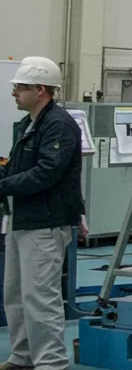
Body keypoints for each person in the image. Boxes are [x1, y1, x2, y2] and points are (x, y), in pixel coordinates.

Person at [3, 57, 82, 370]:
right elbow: (18, 167)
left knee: (40, 297)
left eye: (20, 88)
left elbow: (46, 172)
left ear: (41, 89)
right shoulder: (28, 124)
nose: (14, 94)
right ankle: (23, 356)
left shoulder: (58, 125)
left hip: (46, 223)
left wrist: (3, 187)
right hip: (22, 219)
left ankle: (51, 362)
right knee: (16, 295)